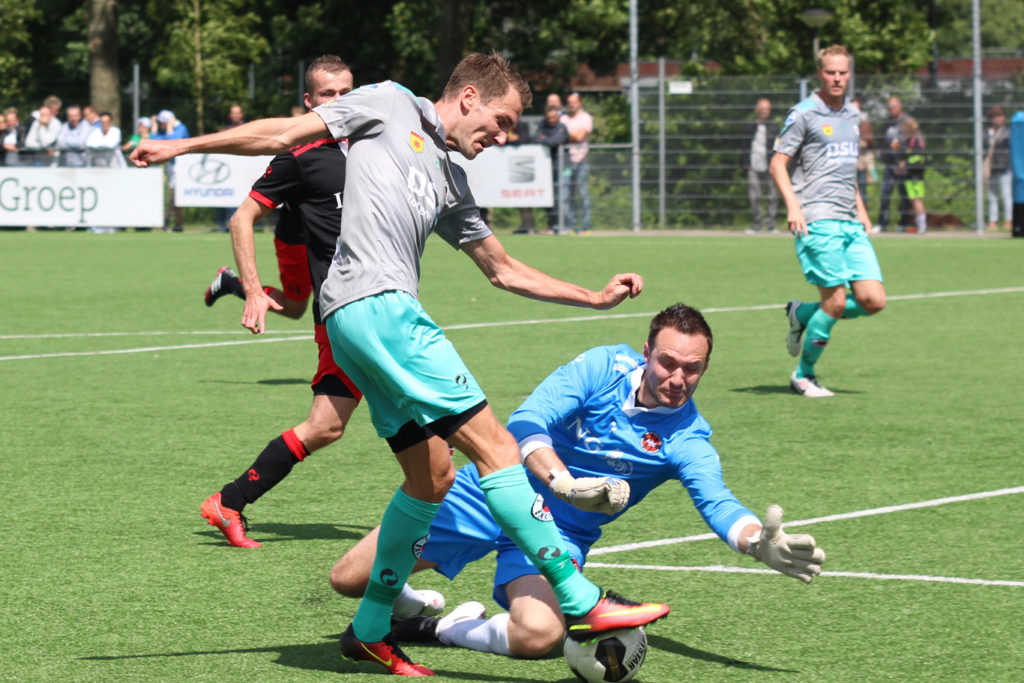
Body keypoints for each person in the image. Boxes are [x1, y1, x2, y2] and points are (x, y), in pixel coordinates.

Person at [132, 50, 669, 677]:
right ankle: (580, 597)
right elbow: (284, 133)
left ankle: (369, 628)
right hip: (381, 310)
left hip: (356, 323)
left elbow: (502, 269)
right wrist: (181, 146)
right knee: (497, 448)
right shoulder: (388, 102)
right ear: (468, 97)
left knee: (431, 478)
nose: (504, 137)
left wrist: (593, 296)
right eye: (501, 120)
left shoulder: (448, 175)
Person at [330, 302, 826, 659]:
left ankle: (448, 626)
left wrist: (756, 542)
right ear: (647, 351)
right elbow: (526, 422)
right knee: (349, 579)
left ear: (705, 368)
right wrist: (563, 482)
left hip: (556, 537)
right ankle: (408, 600)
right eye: (667, 362)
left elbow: (717, 503)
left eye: (692, 370)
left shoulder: (688, 437)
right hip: (488, 495)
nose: (678, 378)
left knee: (539, 637)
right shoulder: (601, 366)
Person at [199, 56, 377, 556]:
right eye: (327, 95)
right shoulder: (302, 155)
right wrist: (254, 289)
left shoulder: (376, 142)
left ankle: (229, 501)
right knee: (436, 411)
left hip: (382, 306)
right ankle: (493, 513)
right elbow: (241, 219)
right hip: (351, 313)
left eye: (346, 91)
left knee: (326, 425)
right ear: (309, 103)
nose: (338, 103)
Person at [769, 44, 886, 398]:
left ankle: (803, 314)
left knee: (873, 301)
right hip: (816, 218)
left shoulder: (852, 115)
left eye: (843, 72)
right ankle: (803, 375)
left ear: (850, 74)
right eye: (830, 72)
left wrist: (861, 209)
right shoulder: (803, 113)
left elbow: (845, 172)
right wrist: (793, 206)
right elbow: (777, 163)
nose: (837, 78)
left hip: (849, 221)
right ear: (819, 74)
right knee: (835, 302)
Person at [874, 95, 910, 233]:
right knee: (885, 194)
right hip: (889, 164)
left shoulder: (907, 121)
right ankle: (882, 223)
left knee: (904, 195)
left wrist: (904, 159)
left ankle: (903, 223)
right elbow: (883, 140)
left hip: (902, 165)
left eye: (893, 107)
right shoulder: (887, 122)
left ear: (900, 106)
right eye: (889, 107)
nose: (891, 110)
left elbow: (912, 141)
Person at [743, 97, 779, 233]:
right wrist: (746, 163)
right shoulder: (749, 127)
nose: (764, 111)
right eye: (762, 108)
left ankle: (770, 224)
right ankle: (757, 224)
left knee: (772, 196)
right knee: (754, 196)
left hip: (770, 166)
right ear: (756, 109)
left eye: (767, 108)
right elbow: (744, 146)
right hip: (753, 165)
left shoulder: (774, 127)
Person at [151, 110, 189, 231]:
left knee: (176, 194)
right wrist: (154, 127)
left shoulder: (180, 128)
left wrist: (169, 128)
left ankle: (171, 220)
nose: (161, 125)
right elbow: (154, 141)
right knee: (175, 193)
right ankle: (175, 223)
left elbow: (172, 142)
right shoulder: (166, 129)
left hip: (182, 166)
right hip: (171, 166)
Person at [534, 104, 569, 233]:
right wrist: (545, 140)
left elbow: (555, 141)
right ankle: (552, 225)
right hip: (548, 168)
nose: (552, 120)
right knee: (550, 197)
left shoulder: (562, 127)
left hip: (562, 167)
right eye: (549, 117)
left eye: (554, 117)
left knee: (563, 196)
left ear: (558, 116)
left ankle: (565, 224)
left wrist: (545, 139)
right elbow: (535, 138)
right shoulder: (543, 125)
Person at [562, 92, 593, 233]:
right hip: (566, 161)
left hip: (581, 161)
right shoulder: (563, 118)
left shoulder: (585, 118)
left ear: (579, 103)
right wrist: (567, 135)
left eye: (574, 102)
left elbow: (580, 137)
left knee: (582, 193)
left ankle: (585, 226)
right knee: (566, 194)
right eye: (569, 102)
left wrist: (565, 134)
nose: (571, 105)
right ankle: (571, 225)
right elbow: (559, 135)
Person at [215, 104, 248, 232]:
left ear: (241, 115)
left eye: (237, 112)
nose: (235, 115)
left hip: (243, 170)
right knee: (222, 197)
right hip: (226, 170)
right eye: (233, 113)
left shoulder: (247, 128)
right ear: (230, 115)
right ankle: (221, 225)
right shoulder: (225, 130)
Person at [984, 106, 1012, 232]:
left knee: (1006, 195)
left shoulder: (1007, 131)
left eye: (1000, 116)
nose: (999, 118)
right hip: (991, 168)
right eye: (996, 116)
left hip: (1004, 167)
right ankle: (993, 221)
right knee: (991, 196)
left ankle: (1009, 220)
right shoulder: (986, 131)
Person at [897, 116, 926, 235]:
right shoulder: (908, 140)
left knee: (916, 200)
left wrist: (906, 164)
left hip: (915, 175)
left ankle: (922, 225)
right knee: (912, 200)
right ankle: (918, 224)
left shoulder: (917, 140)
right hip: (909, 175)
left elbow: (919, 157)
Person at [508, 119, 537, 234]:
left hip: (523, 168)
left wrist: (514, 139)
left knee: (525, 199)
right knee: (518, 200)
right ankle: (524, 225)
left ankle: (530, 225)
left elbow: (526, 139)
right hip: (507, 168)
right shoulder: (501, 125)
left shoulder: (523, 125)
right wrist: (508, 139)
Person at [851, 97, 876, 207]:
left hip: (860, 163)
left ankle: (863, 215)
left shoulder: (864, 123)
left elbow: (871, 143)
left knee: (862, 191)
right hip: (846, 164)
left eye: (858, 108)